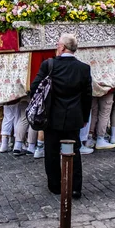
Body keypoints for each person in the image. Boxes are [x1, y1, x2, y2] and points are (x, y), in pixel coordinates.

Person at [30, 33, 92, 199]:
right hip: (73, 117)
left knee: (51, 152)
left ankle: (55, 186)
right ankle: (75, 187)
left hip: (51, 116)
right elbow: (87, 96)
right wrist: (85, 117)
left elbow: (35, 88)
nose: (56, 47)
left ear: (62, 47)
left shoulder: (49, 65)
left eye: (58, 44)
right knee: (74, 151)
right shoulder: (84, 68)